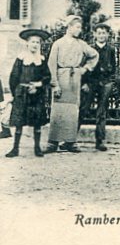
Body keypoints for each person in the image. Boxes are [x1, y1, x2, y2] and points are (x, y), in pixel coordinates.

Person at [45, 15, 98, 154]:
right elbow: (51, 65)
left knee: (73, 110)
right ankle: (53, 142)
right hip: (61, 77)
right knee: (58, 110)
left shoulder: (81, 44)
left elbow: (94, 55)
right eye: (77, 27)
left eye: (80, 27)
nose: (79, 30)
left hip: (75, 78)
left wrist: (85, 69)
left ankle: (70, 141)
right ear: (69, 27)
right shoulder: (58, 44)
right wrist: (55, 84)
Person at [5, 28, 51, 158]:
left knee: (37, 121)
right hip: (22, 94)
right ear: (27, 43)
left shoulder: (41, 60)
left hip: (37, 94)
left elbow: (47, 76)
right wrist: (17, 93)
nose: (35, 44)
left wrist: (38, 85)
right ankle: (15, 148)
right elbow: (13, 77)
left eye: (37, 42)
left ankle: (37, 148)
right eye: (32, 42)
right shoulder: (21, 59)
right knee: (19, 121)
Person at [79, 20, 117, 152]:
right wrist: (84, 83)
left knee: (102, 112)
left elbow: (113, 68)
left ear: (107, 35)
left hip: (105, 82)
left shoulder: (111, 49)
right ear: (94, 34)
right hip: (90, 82)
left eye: (104, 33)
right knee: (83, 108)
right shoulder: (89, 48)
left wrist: (111, 82)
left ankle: (99, 141)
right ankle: (71, 140)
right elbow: (83, 65)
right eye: (99, 33)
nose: (101, 35)